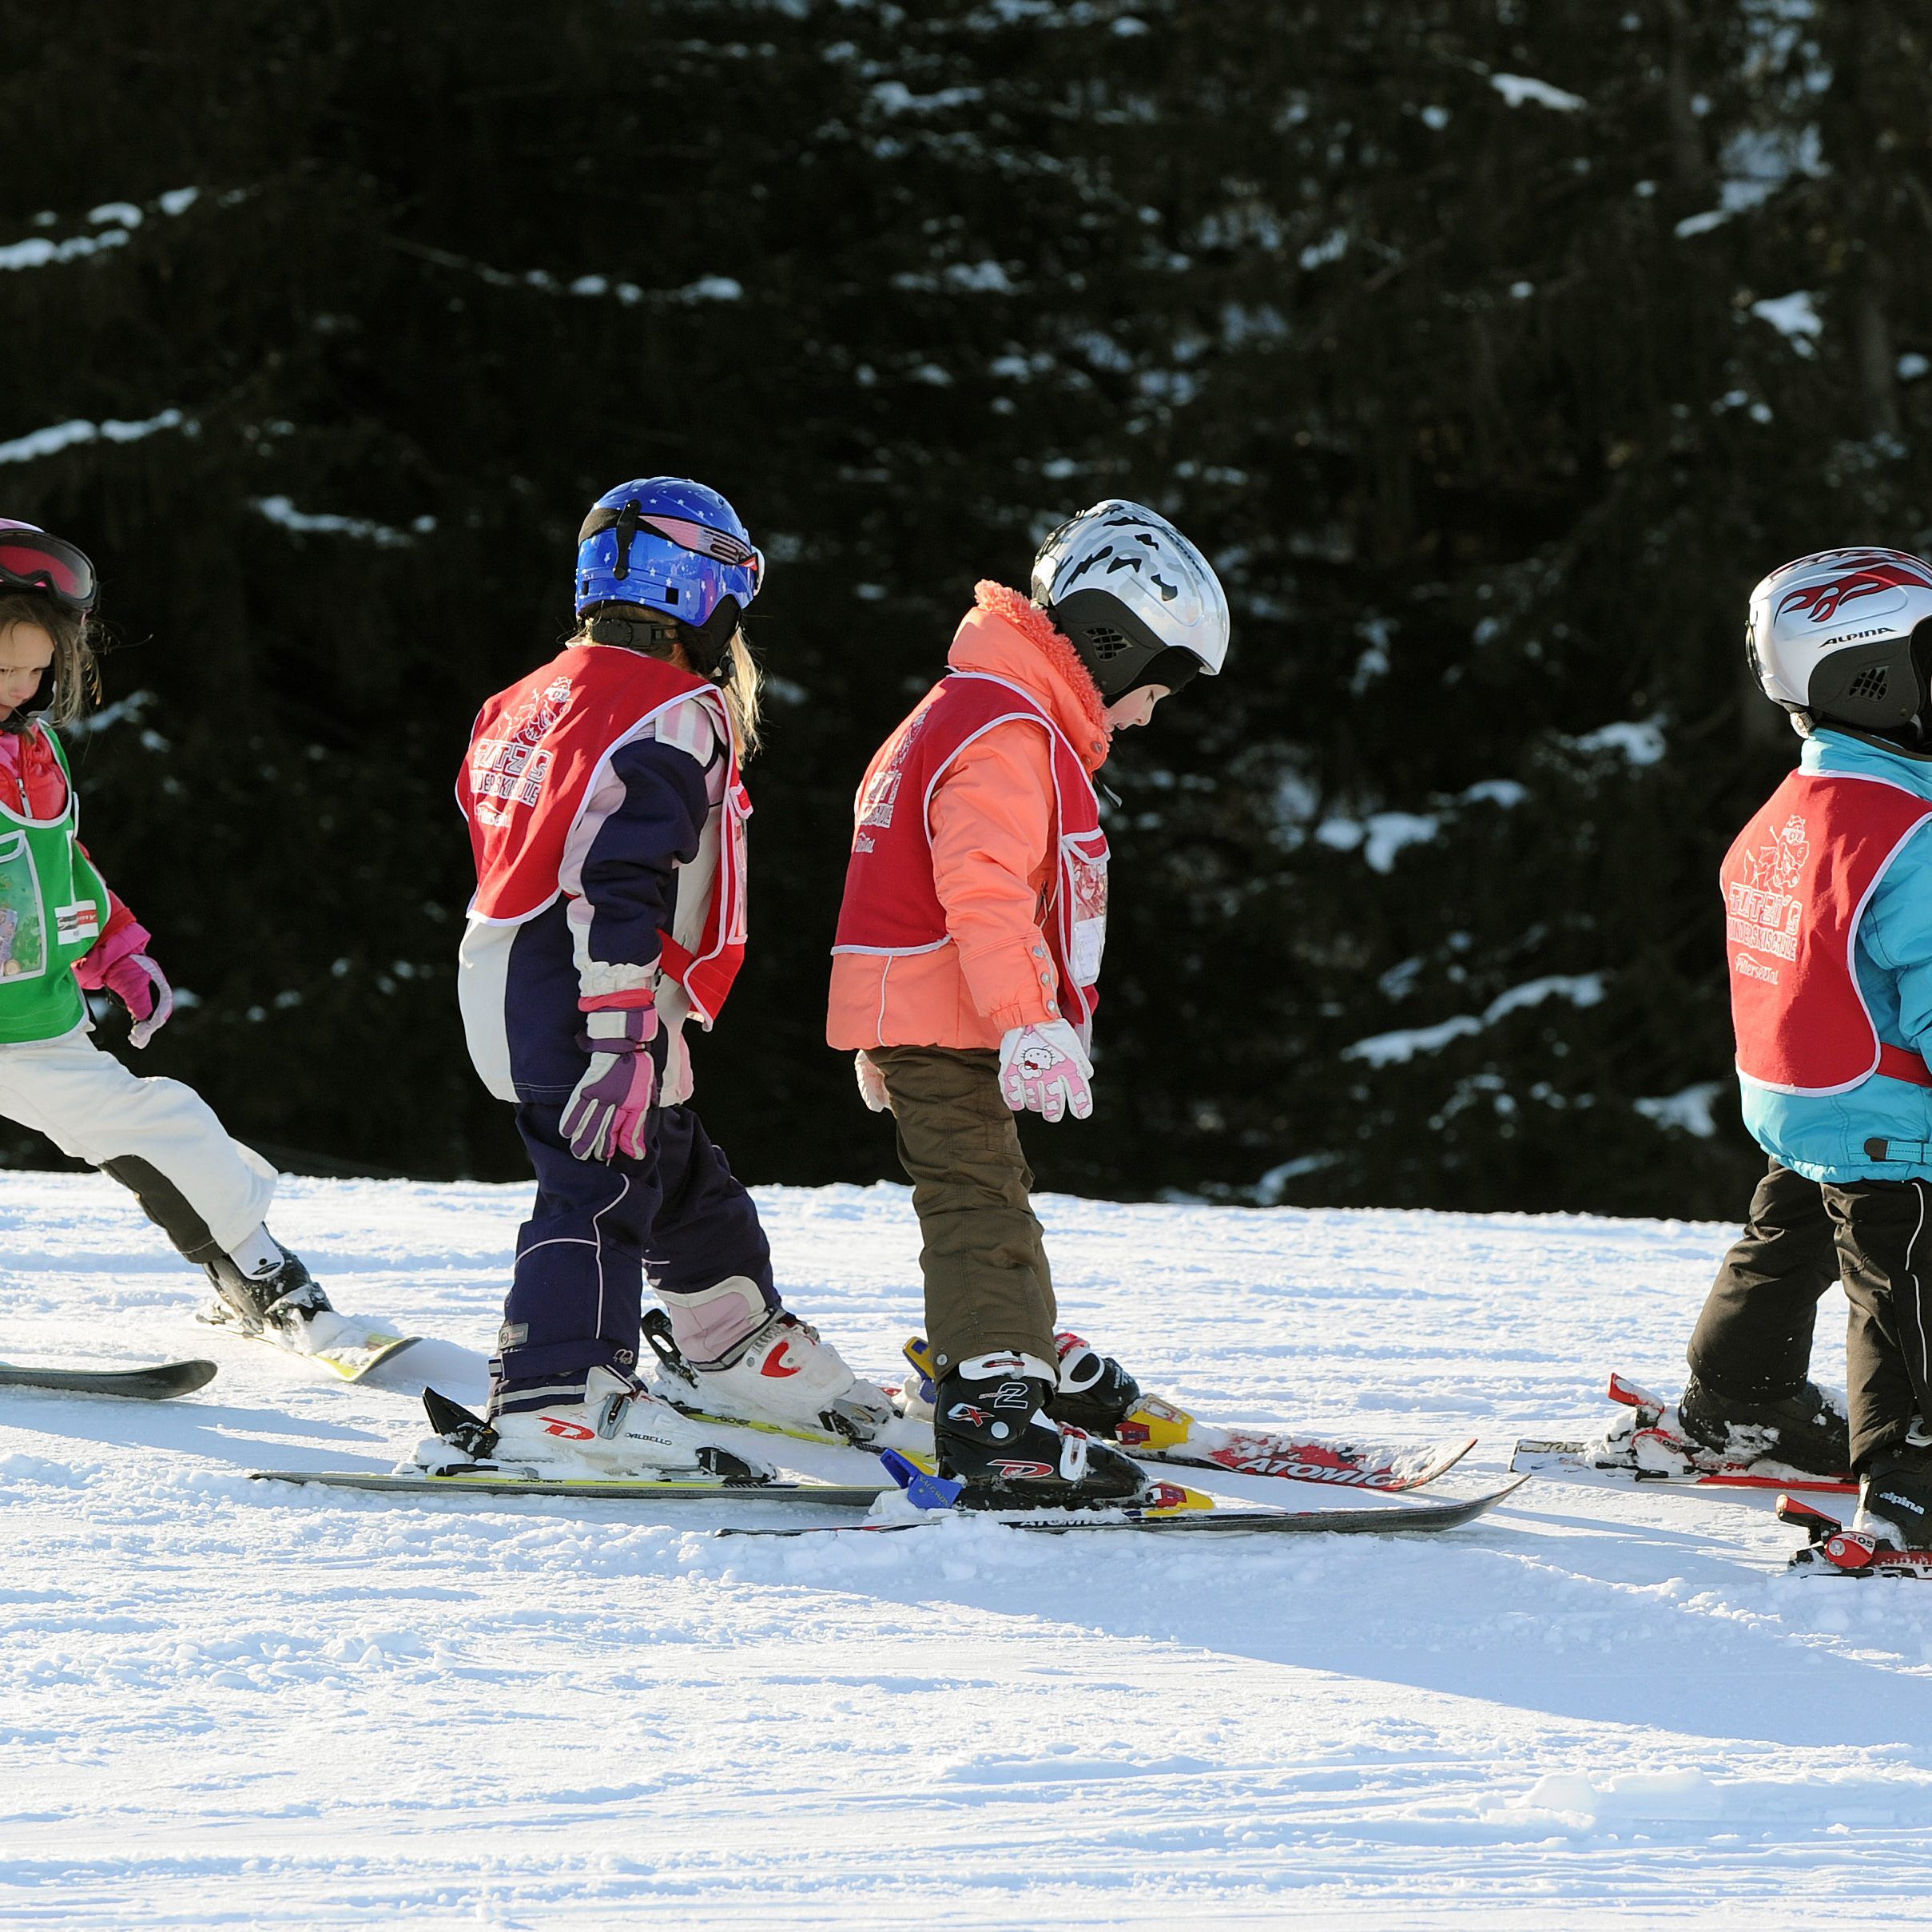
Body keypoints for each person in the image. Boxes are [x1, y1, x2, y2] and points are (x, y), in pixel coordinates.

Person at [442, 477, 888, 1477]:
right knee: (598, 1183)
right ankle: (553, 1391)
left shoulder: (528, 694)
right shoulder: (672, 709)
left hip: (520, 966)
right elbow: (616, 877)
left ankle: (731, 1341)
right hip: (586, 982)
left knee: (674, 1167)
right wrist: (620, 1031)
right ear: (704, 592)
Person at [828, 499, 1228, 1505]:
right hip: (957, 1009)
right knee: (979, 1203)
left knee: (987, 1192)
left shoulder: (974, 707)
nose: (1144, 714)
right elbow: (983, 893)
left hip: (931, 1007)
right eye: (1155, 687)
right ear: (1111, 638)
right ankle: (994, 1413)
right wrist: (1027, 1020)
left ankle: (1007, 1357)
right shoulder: (1005, 729)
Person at [0, 519, 338, 1349]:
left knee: (158, 1128)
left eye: (36, 668)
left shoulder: (37, 751)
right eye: (3, 665)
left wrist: (117, 953)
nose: (19, 683)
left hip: (28, 1026)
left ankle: (254, 1270)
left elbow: (63, 863)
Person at [1688, 547, 1932, 1542]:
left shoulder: (1789, 812)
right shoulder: (1909, 831)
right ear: (1869, 676)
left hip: (1800, 1097)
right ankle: (1909, 1487)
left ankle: (1736, 1398)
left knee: (1787, 1240)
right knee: (1904, 1284)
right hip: (1884, 1109)